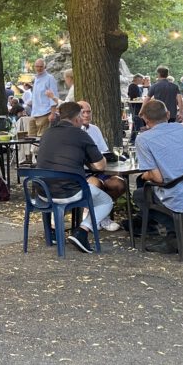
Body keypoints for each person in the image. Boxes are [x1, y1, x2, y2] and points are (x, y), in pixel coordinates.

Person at [34, 101, 110, 254]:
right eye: (81, 117)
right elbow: (100, 166)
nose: (83, 120)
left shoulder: (47, 133)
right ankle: (82, 231)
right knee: (106, 201)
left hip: (42, 191)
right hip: (68, 191)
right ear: (76, 119)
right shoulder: (81, 134)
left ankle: (54, 233)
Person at [134, 99, 183, 252]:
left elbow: (158, 178)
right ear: (167, 114)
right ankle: (179, 234)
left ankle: (180, 233)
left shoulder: (143, 139)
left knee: (140, 194)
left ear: (145, 118)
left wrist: (146, 176)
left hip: (179, 195)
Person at [77, 101, 126, 227]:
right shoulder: (74, 132)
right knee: (96, 184)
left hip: (99, 170)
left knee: (119, 184)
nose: (87, 115)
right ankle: (93, 218)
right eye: (83, 112)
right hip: (82, 172)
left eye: (89, 112)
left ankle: (100, 214)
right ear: (77, 114)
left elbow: (104, 152)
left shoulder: (95, 129)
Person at [29, 58, 58, 137]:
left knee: (42, 138)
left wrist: (52, 113)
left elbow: (53, 97)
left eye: (41, 66)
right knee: (31, 138)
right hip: (34, 113)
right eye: (37, 66)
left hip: (45, 113)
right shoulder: (35, 78)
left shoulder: (50, 78)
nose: (39, 68)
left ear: (45, 67)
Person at [127, 74, 145, 142]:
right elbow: (133, 97)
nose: (141, 81)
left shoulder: (136, 86)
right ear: (137, 79)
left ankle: (133, 139)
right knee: (137, 122)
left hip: (138, 106)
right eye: (141, 79)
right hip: (136, 106)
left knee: (137, 123)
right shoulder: (132, 86)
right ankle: (133, 139)